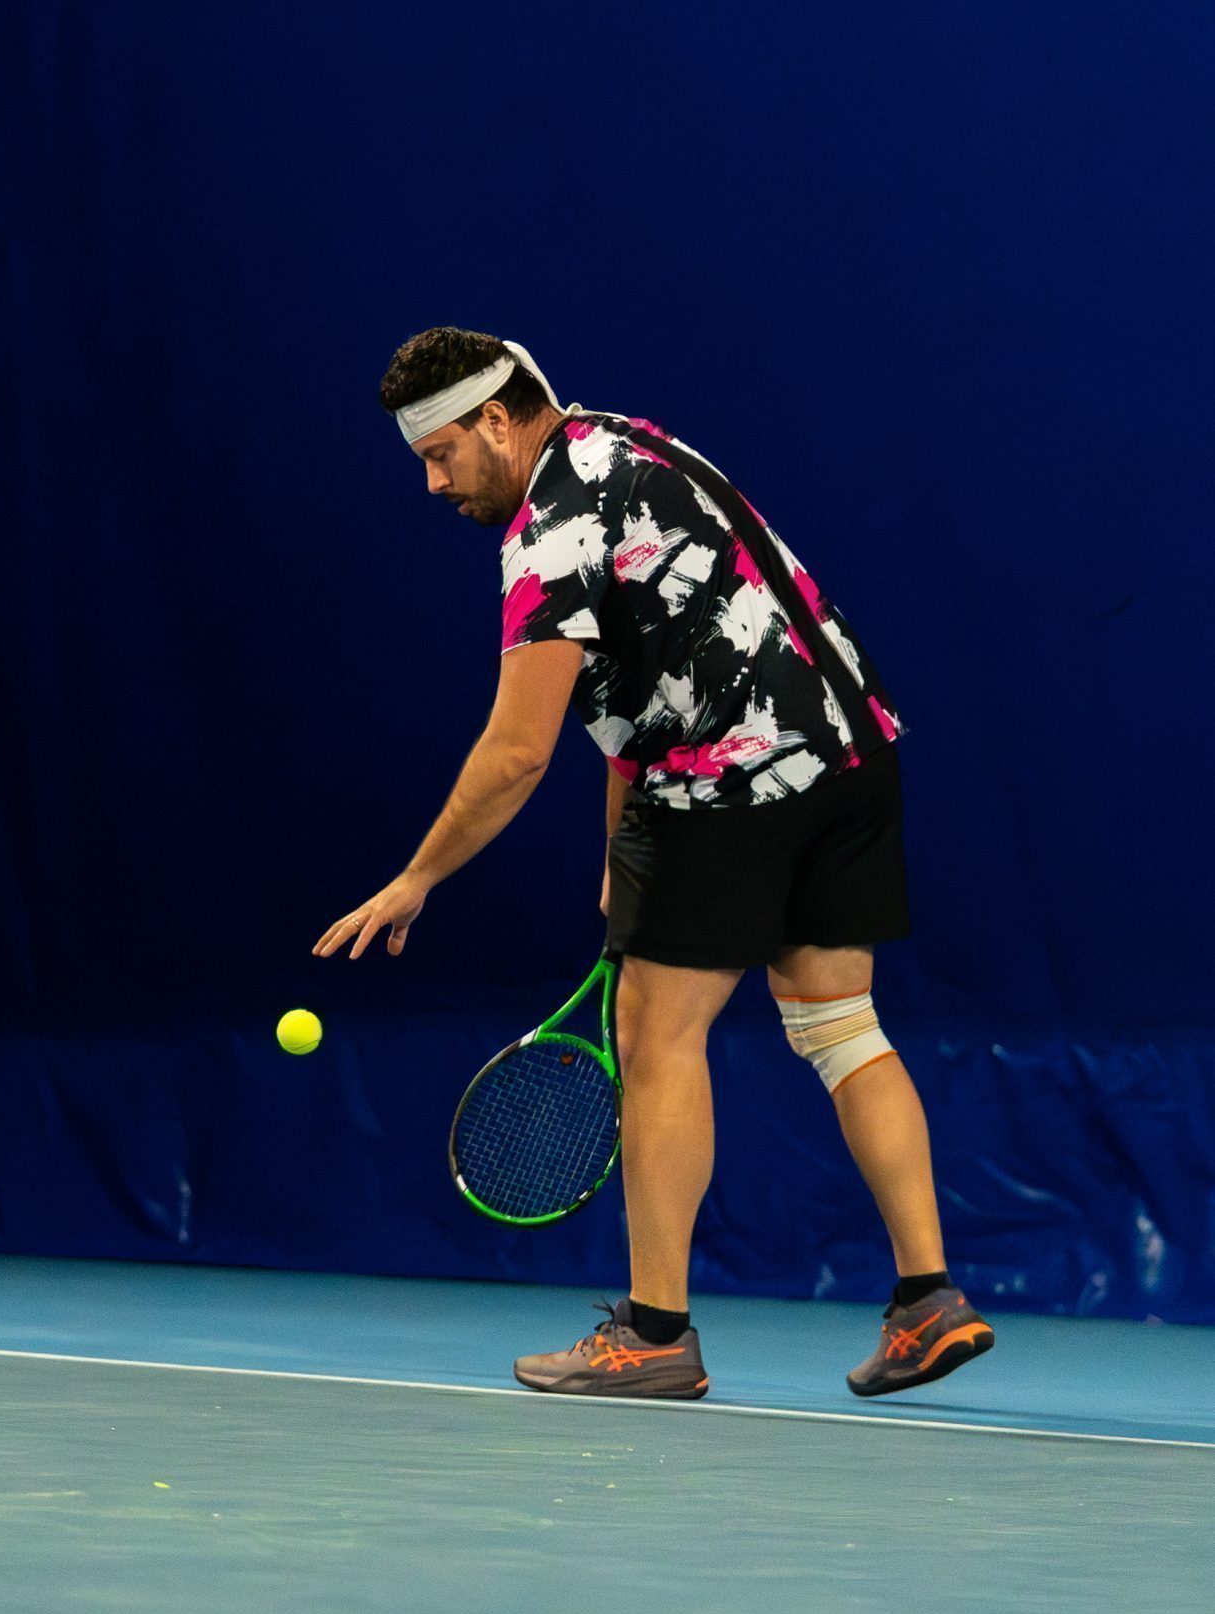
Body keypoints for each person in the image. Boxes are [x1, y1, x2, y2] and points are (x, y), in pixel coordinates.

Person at [313, 326, 995, 1400]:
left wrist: (416, 878)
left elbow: (516, 751)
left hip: (732, 786)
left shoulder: (548, 535)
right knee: (837, 1026)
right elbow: (648, 672)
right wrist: (618, 847)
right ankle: (929, 1301)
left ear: (496, 420)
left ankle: (654, 1334)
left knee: (652, 1034)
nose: (434, 483)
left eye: (442, 454)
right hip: (852, 753)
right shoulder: (628, 443)